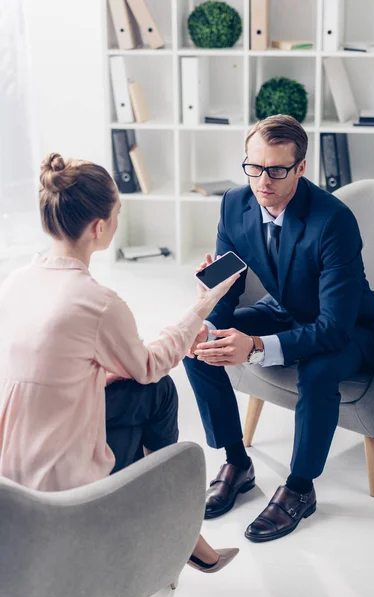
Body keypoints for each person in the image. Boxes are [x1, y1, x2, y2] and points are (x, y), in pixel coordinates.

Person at [0, 153, 239, 573]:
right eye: (117, 214)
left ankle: (175, 526)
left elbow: (48, 366)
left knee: (136, 391)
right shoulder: (97, 302)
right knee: (159, 390)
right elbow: (149, 367)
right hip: (59, 479)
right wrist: (201, 307)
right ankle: (179, 525)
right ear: (99, 228)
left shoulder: (15, 281)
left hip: (12, 465)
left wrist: (106, 372)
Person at [184, 114, 374, 543]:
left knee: (318, 369)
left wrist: (257, 346)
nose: (263, 181)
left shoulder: (333, 220)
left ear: (301, 167)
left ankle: (299, 488)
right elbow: (230, 289)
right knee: (202, 347)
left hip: (354, 326)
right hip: (286, 308)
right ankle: (236, 462)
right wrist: (207, 322)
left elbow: (334, 327)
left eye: (278, 170)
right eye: (254, 167)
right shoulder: (234, 204)